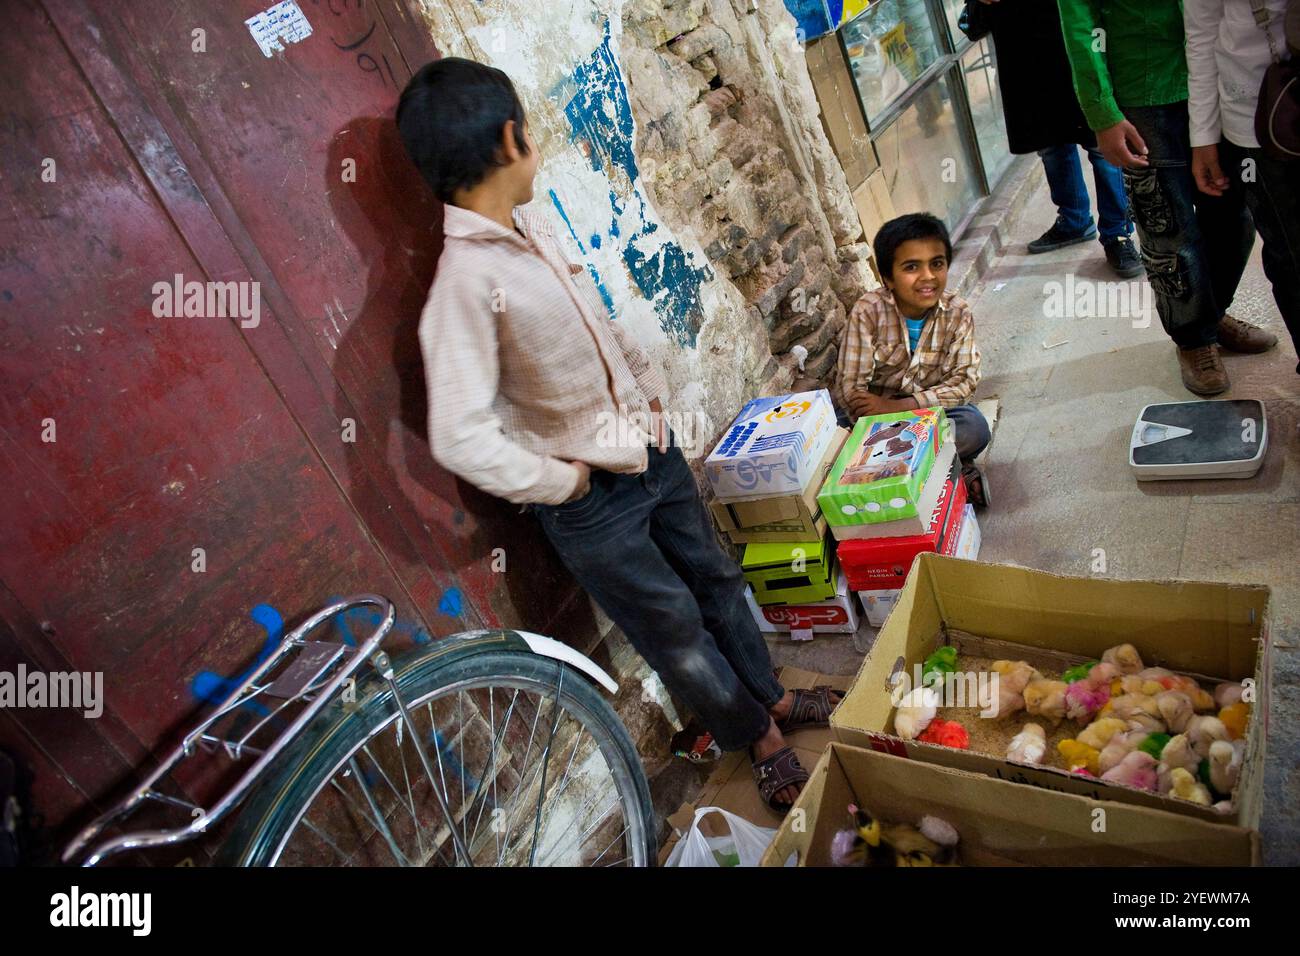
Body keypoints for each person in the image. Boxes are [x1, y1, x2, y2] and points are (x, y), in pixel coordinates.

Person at [397, 58, 836, 813]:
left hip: (651, 455)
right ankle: (756, 739)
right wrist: (559, 484)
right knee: (675, 630)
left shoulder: (529, 224)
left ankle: (771, 697)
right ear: (510, 140)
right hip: (591, 504)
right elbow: (459, 435)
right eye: (528, 131)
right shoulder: (461, 286)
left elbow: (596, 324)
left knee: (719, 582)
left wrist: (651, 401)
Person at [1057, 0, 1277, 396]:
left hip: (1219, 78)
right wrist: (1102, 111)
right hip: (1147, 91)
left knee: (1236, 216)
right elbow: (1079, 22)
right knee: (1169, 231)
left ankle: (1211, 314)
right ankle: (1194, 339)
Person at [972, 0, 1141, 276]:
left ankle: (1117, 234)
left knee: (1100, 137)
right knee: (1048, 135)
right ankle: (1074, 220)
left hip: (1073, 26)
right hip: (1020, 35)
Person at [836, 213, 992, 507]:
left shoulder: (957, 313)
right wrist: (884, 417)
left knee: (973, 428)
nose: (928, 277)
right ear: (888, 278)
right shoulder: (868, 311)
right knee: (834, 432)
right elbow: (851, 388)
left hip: (929, 416)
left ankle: (902, 473)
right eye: (911, 267)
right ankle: (949, 472)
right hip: (873, 422)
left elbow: (964, 384)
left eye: (937, 263)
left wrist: (901, 407)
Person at [1185, 0, 1300, 375]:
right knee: (1290, 254)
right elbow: (1201, 35)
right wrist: (1203, 137)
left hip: (1265, 111)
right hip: (1262, 119)